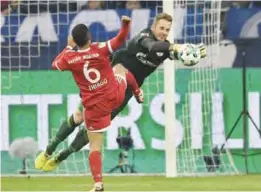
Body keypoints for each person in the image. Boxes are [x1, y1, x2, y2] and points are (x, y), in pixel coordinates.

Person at [35, 12, 206, 173]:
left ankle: (62, 156)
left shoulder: (165, 48)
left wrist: (194, 53)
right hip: (104, 81)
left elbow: (174, 54)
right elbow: (153, 46)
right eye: (161, 28)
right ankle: (49, 150)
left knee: (92, 131)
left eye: (167, 30)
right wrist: (178, 47)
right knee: (79, 116)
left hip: (123, 92)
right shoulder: (144, 37)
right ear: (153, 27)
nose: (164, 32)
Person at [38, 15, 141, 192]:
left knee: (94, 145)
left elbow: (55, 65)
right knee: (120, 69)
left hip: (94, 106)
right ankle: (55, 154)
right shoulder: (101, 49)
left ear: (74, 40)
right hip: (115, 97)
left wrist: (69, 47)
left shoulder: (70, 57)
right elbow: (121, 38)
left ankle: (97, 183)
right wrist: (125, 24)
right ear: (90, 38)